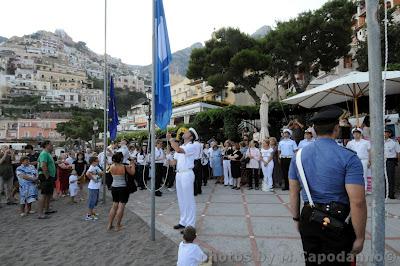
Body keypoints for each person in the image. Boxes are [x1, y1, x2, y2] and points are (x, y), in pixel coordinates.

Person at [289, 105, 367, 266]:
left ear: (315, 130)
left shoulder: (298, 156)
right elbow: (357, 202)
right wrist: (360, 237)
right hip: (338, 221)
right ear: (337, 129)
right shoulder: (349, 158)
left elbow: (293, 192)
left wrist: (296, 218)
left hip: (308, 216)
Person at [166, 128, 199, 232]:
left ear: (191, 136)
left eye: (187, 132)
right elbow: (173, 163)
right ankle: (183, 221)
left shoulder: (193, 146)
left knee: (189, 200)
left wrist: (171, 140)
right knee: (181, 199)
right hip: (179, 174)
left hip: (187, 173)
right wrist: (168, 157)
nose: (184, 132)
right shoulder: (181, 146)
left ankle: (190, 225)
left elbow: (179, 150)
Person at [107, 152, 135, 231]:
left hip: (114, 187)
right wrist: (132, 163)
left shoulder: (111, 166)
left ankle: (109, 224)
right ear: (121, 159)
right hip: (122, 188)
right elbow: (132, 173)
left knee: (114, 205)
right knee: (121, 206)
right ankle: (117, 225)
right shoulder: (124, 167)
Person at [346, 128, 371, 192]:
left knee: (364, 175)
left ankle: (364, 190)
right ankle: (356, 190)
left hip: (363, 160)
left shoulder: (366, 142)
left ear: (360, 134)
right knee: (354, 176)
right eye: (354, 133)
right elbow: (347, 152)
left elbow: (370, 152)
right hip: (353, 161)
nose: (356, 135)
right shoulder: (350, 143)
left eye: (357, 133)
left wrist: (369, 161)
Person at [37, 140, 57, 219]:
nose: (52, 147)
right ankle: (40, 213)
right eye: (51, 145)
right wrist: (47, 176)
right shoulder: (44, 153)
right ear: (47, 145)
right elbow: (43, 165)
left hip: (49, 176)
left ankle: (47, 209)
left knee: (48, 194)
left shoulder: (48, 153)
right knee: (44, 194)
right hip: (45, 176)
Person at [85, 156, 104, 221]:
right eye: (97, 161)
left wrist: (97, 173)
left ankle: (92, 212)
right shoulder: (91, 167)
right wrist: (93, 179)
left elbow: (101, 173)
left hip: (96, 187)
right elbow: (87, 174)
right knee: (92, 201)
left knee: (95, 201)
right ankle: (88, 215)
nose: (98, 161)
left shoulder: (96, 167)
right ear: (93, 162)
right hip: (93, 187)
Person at [384, 128, 400, 199]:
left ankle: (391, 194)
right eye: (384, 132)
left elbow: (398, 152)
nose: (385, 134)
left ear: (390, 134)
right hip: (381, 161)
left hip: (390, 161)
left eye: (387, 132)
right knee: (382, 178)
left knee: (390, 178)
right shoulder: (380, 141)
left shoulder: (394, 142)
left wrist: (397, 161)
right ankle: (383, 193)